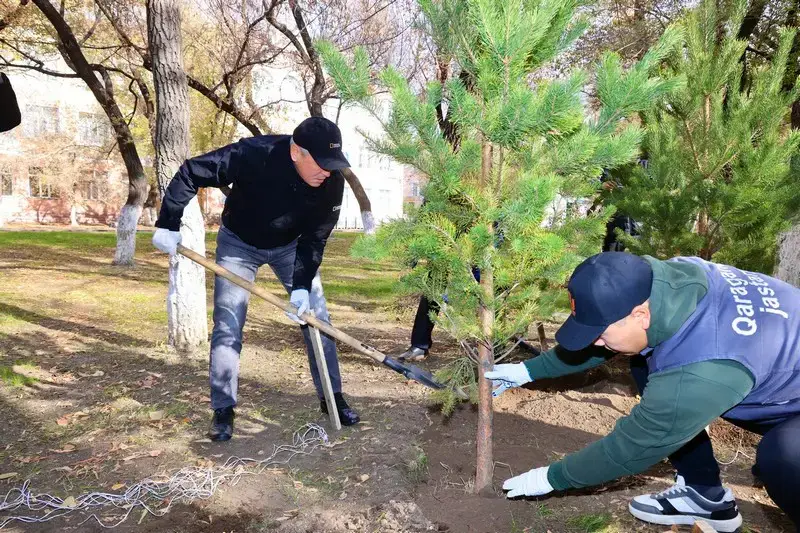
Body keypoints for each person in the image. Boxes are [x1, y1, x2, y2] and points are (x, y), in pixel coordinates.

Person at [486, 252, 800, 532]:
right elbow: (614, 341)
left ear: (641, 315)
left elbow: (633, 447)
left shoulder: (703, 368)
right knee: (643, 359)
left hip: (779, 393)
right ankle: (703, 494)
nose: (596, 342)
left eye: (600, 333)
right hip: (773, 365)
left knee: (783, 456)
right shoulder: (670, 278)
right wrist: (527, 371)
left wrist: (550, 478)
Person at [152, 117, 361, 441]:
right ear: (296, 152)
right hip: (239, 245)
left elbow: (315, 239)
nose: (327, 171)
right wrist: (168, 221)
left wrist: (302, 287)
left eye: (332, 164)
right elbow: (192, 171)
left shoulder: (332, 182)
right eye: (320, 163)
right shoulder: (254, 153)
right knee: (228, 324)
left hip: (291, 247)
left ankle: (332, 396)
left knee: (317, 318)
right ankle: (223, 410)